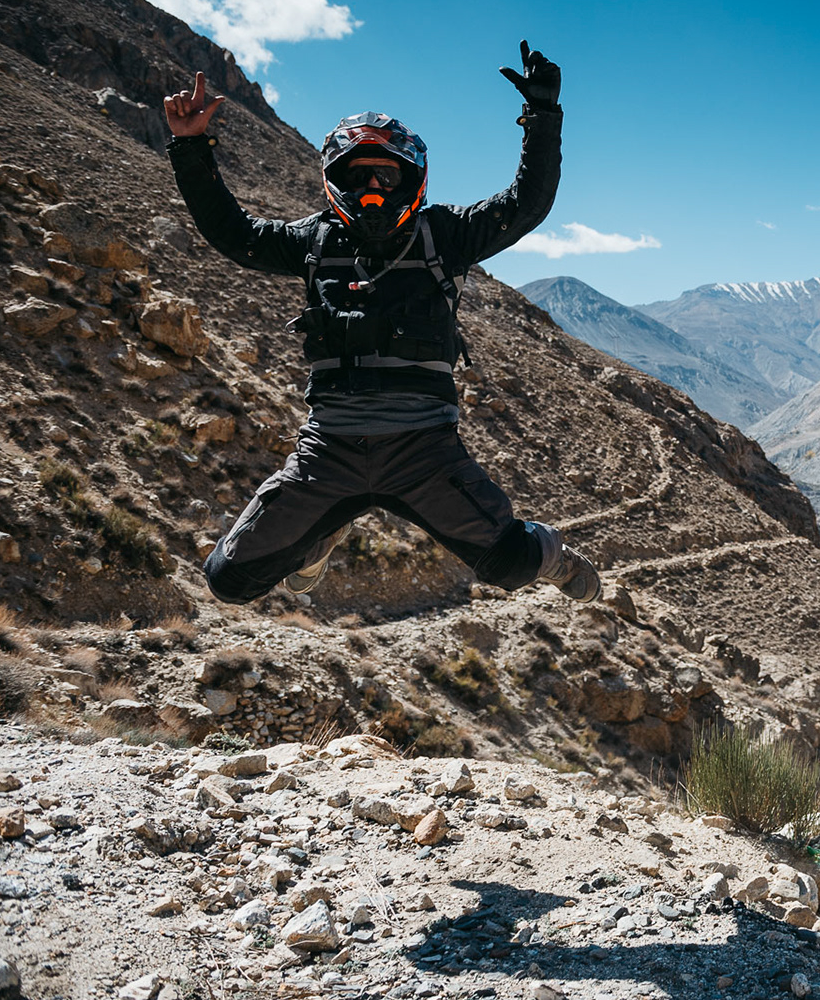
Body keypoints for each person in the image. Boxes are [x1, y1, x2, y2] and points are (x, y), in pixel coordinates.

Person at [162, 41, 600, 607]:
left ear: (412, 179)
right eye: (360, 175)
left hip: (424, 451)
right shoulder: (313, 241)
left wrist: (542, 117)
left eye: (387, 177)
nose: (373, 190)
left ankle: (554, 558)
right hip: (329, 451)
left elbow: (525, 205)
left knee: (512, 565)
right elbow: (234, 233)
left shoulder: (445, 234)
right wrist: (189, 145)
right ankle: (319, 535)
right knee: (229, 580)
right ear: (335, 179)